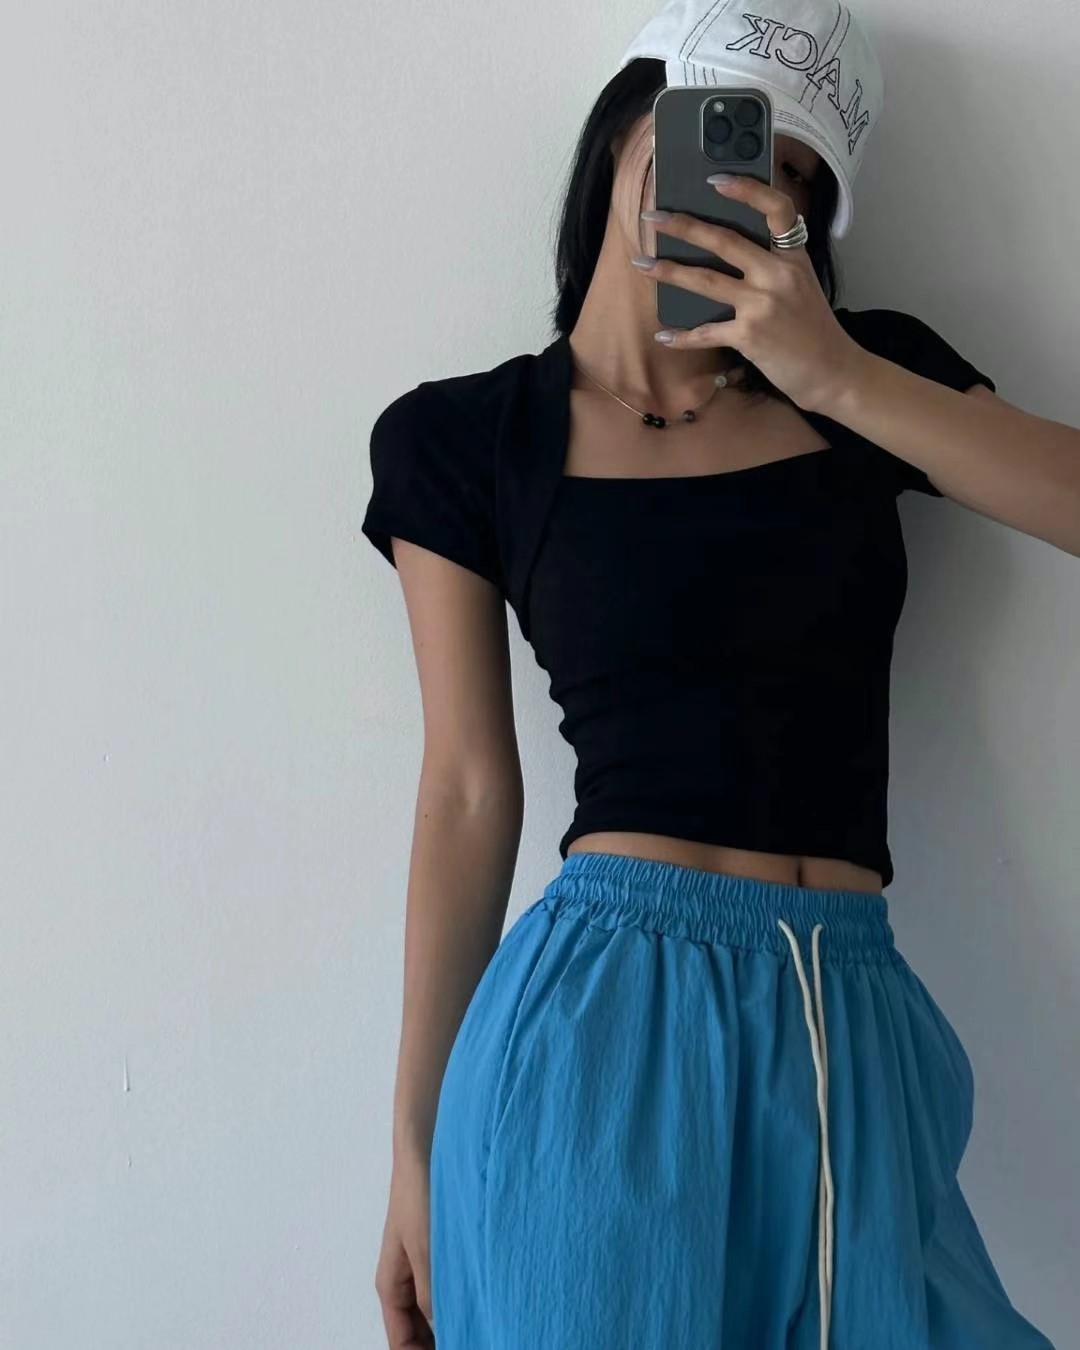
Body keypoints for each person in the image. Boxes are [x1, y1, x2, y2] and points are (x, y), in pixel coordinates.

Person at [365, 1, 1076, 1345]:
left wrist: (832, 372)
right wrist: (411, 1144)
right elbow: (464, 789)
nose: (759, 189)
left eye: (796, 176)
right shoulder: (465, 439)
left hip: (850, 1015)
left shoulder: (869, 379)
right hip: (601, 1034)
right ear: (628, 132)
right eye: (729, 136)